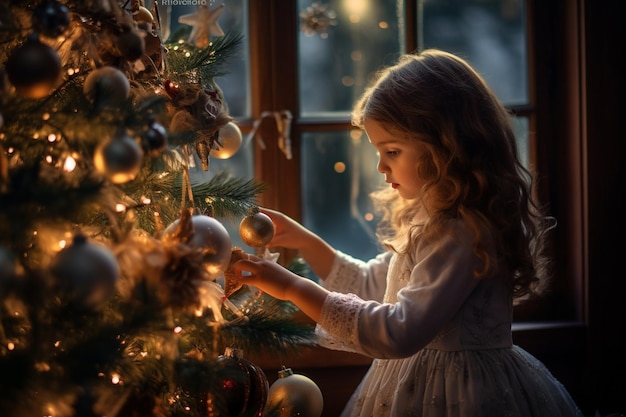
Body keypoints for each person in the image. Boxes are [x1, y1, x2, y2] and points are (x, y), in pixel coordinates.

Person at [232, 49, 583, 417]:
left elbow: (399, 331)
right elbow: (373, 284)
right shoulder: (434, 220)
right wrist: (308, 243)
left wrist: (291, 288)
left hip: (461, 396)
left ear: (446, 144)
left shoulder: (462, 231)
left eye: (393, 151)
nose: (382, 166)